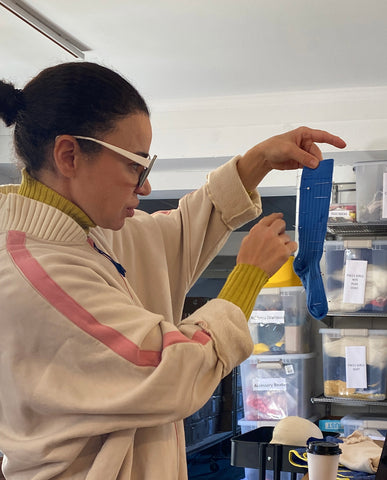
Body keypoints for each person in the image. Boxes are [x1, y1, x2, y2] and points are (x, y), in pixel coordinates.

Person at [0, 61, 346, 480]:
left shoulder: (86, 233)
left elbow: (178, 232)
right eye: (135, 165)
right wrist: (249, 275)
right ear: (69, 155)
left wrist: (259, 160)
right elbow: (173, 370)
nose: (144, 186)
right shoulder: (33, 274)